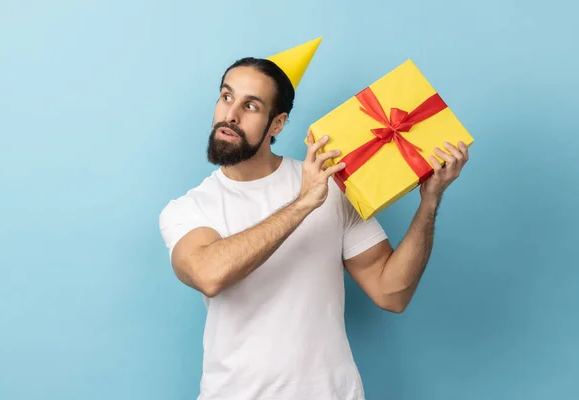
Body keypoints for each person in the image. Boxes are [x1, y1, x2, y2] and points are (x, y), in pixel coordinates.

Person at [158, 37, 470, 400]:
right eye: (226, 97)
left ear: (277, 124)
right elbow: (209, 275)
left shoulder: (332, 186)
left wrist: (429, 202)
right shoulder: (189, 208)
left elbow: (391, 293)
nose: (231, 115)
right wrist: (303, 204)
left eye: (251, 106)